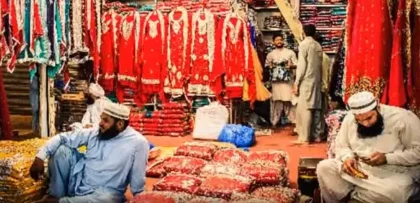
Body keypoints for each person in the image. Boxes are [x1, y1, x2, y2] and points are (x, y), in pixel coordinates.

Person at [30, 101, 149, 203]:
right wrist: (40, 157)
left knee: (107, 200)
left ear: (120, 124)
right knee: (63, 150)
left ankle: (60, 202)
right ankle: (57, 195)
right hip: (79, 183)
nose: (100, 123)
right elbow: (62, 138)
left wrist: (141, 198)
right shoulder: (96, 132)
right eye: (101, 118)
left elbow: (137, 183)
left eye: (105, 120)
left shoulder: (138, 143)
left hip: (106, 194)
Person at [317, 91, 420, 203]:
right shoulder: (350, 118)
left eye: (369, 118)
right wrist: (347, 157)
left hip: (394, 173)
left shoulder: (403, 118)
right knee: (324, 168)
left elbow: (418, 152)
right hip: (359, 170)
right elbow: (342, 145)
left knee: (394, 194)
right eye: (359, 121)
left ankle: (354, 196)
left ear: (378, 107)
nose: (365, 124)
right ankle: (361, 196)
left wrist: (387, 158)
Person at [293, 24, 323, 144]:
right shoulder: (317, 45)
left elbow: (301, 66)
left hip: (306, 79)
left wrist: (297, 82)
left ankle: (304, 137)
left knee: (306, 108)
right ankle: (317, 135)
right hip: (316, 80)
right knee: (316, 107)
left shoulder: (304, 44)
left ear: (304, 32)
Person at [265, 33, 298, 128]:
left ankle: (294, 121)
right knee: (276, 102)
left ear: (283, 41)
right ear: (273, 42)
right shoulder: (270, 55)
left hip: (288, 82)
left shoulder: (290, 52)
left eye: (280, 39)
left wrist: (290, 66)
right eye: (277, 40)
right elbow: (267, 67)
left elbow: (297, 65)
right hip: (276, 83)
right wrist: (270, 66)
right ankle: (274, 122)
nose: (279, 41)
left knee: (289, 101)